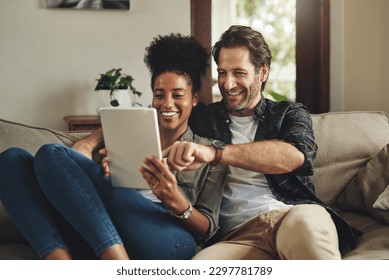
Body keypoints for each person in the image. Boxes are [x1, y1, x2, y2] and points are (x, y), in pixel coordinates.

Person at [0, 33, 226, 260]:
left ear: (194, 98)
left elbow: (207, 229)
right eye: (159, 95)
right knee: (11, 159)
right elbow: (88, 193)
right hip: (105, 226)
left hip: (169, 238)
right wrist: (105, 174)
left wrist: (173, 197)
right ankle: (59, 263)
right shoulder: (122, 135)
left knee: (52, 153)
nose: (167, 103)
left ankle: (116, 264)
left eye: (178, 95)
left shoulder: (207, 151)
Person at [163, 25, 361, 260]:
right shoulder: (203, 118)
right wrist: (106, 134)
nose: (227, 84)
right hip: (235, 236)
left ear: (263, 72)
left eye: (239, 73)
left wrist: (214, 153)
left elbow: (295, 156)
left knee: (310, 239)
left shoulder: (290, 113)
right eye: (223, 73)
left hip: (292, 217)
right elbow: (161, 114)